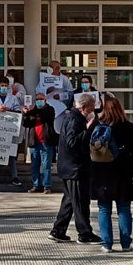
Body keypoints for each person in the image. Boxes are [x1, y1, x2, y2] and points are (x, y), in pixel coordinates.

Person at [92, 93, 133, 252]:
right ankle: (126, 243)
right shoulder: (128, 127)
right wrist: (132, 171)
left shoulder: (99, 128)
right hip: (123, 174)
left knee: (104, 209)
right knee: (124, 209)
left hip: (103, 175)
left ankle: (106, 244)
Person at [48, 93, 101, 245]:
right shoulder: (74, 119)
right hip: (74, 168)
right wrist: (89, 128)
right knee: (80, 202)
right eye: (91, 108)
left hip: (71, 167)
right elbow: (73, 142)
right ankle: (85, 233)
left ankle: (58, 230)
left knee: (70, 200)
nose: (93, 111)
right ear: (84, 108)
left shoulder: (75, 117)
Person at [0, 80, 23, 186]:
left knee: (10, 154)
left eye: (6, 86)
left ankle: (15, 177)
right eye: (2, 85)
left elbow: (18, 112)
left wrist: (8, 109)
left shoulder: (13, 98)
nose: (4, 87)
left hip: (8, 130)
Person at [24, 93, 58, 193]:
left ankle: (47, 186)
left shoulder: (50, 109)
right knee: (35, 165)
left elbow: (45, 118)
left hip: (46, 141)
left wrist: (33, 112)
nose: (39, 101)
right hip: (34, 141)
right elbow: (26, 124)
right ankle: (36, 185)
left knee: (46, 165)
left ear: (45, 100)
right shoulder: (32, 111)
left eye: (41, 99)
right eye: (37, 99)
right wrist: (26, 113)